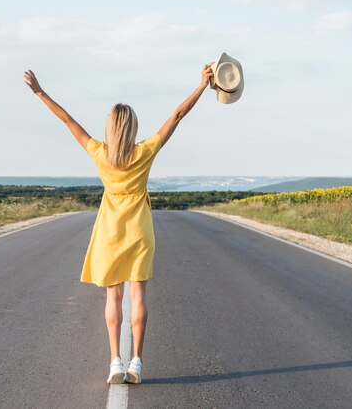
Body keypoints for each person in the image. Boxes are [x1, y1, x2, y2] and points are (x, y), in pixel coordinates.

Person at [24, 63, 215, 384]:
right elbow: (177, 115)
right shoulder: (144, 152)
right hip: (140, 232)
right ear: (133, 128)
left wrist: (40, 92)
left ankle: (115, 361)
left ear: (111, 128)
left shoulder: (100, 153)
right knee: (139, 296)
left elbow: (68, 120)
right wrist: (201, 86)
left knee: (113, 297)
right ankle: (136, 362)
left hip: (110, 232)